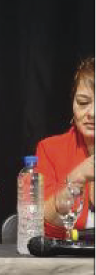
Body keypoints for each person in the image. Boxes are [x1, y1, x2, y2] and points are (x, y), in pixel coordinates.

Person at [37, 56, 95, 237]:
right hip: (68, 253)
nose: (92, 113)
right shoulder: (50, 149)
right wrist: (77, 178)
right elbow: (44, 225)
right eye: (83, 103)